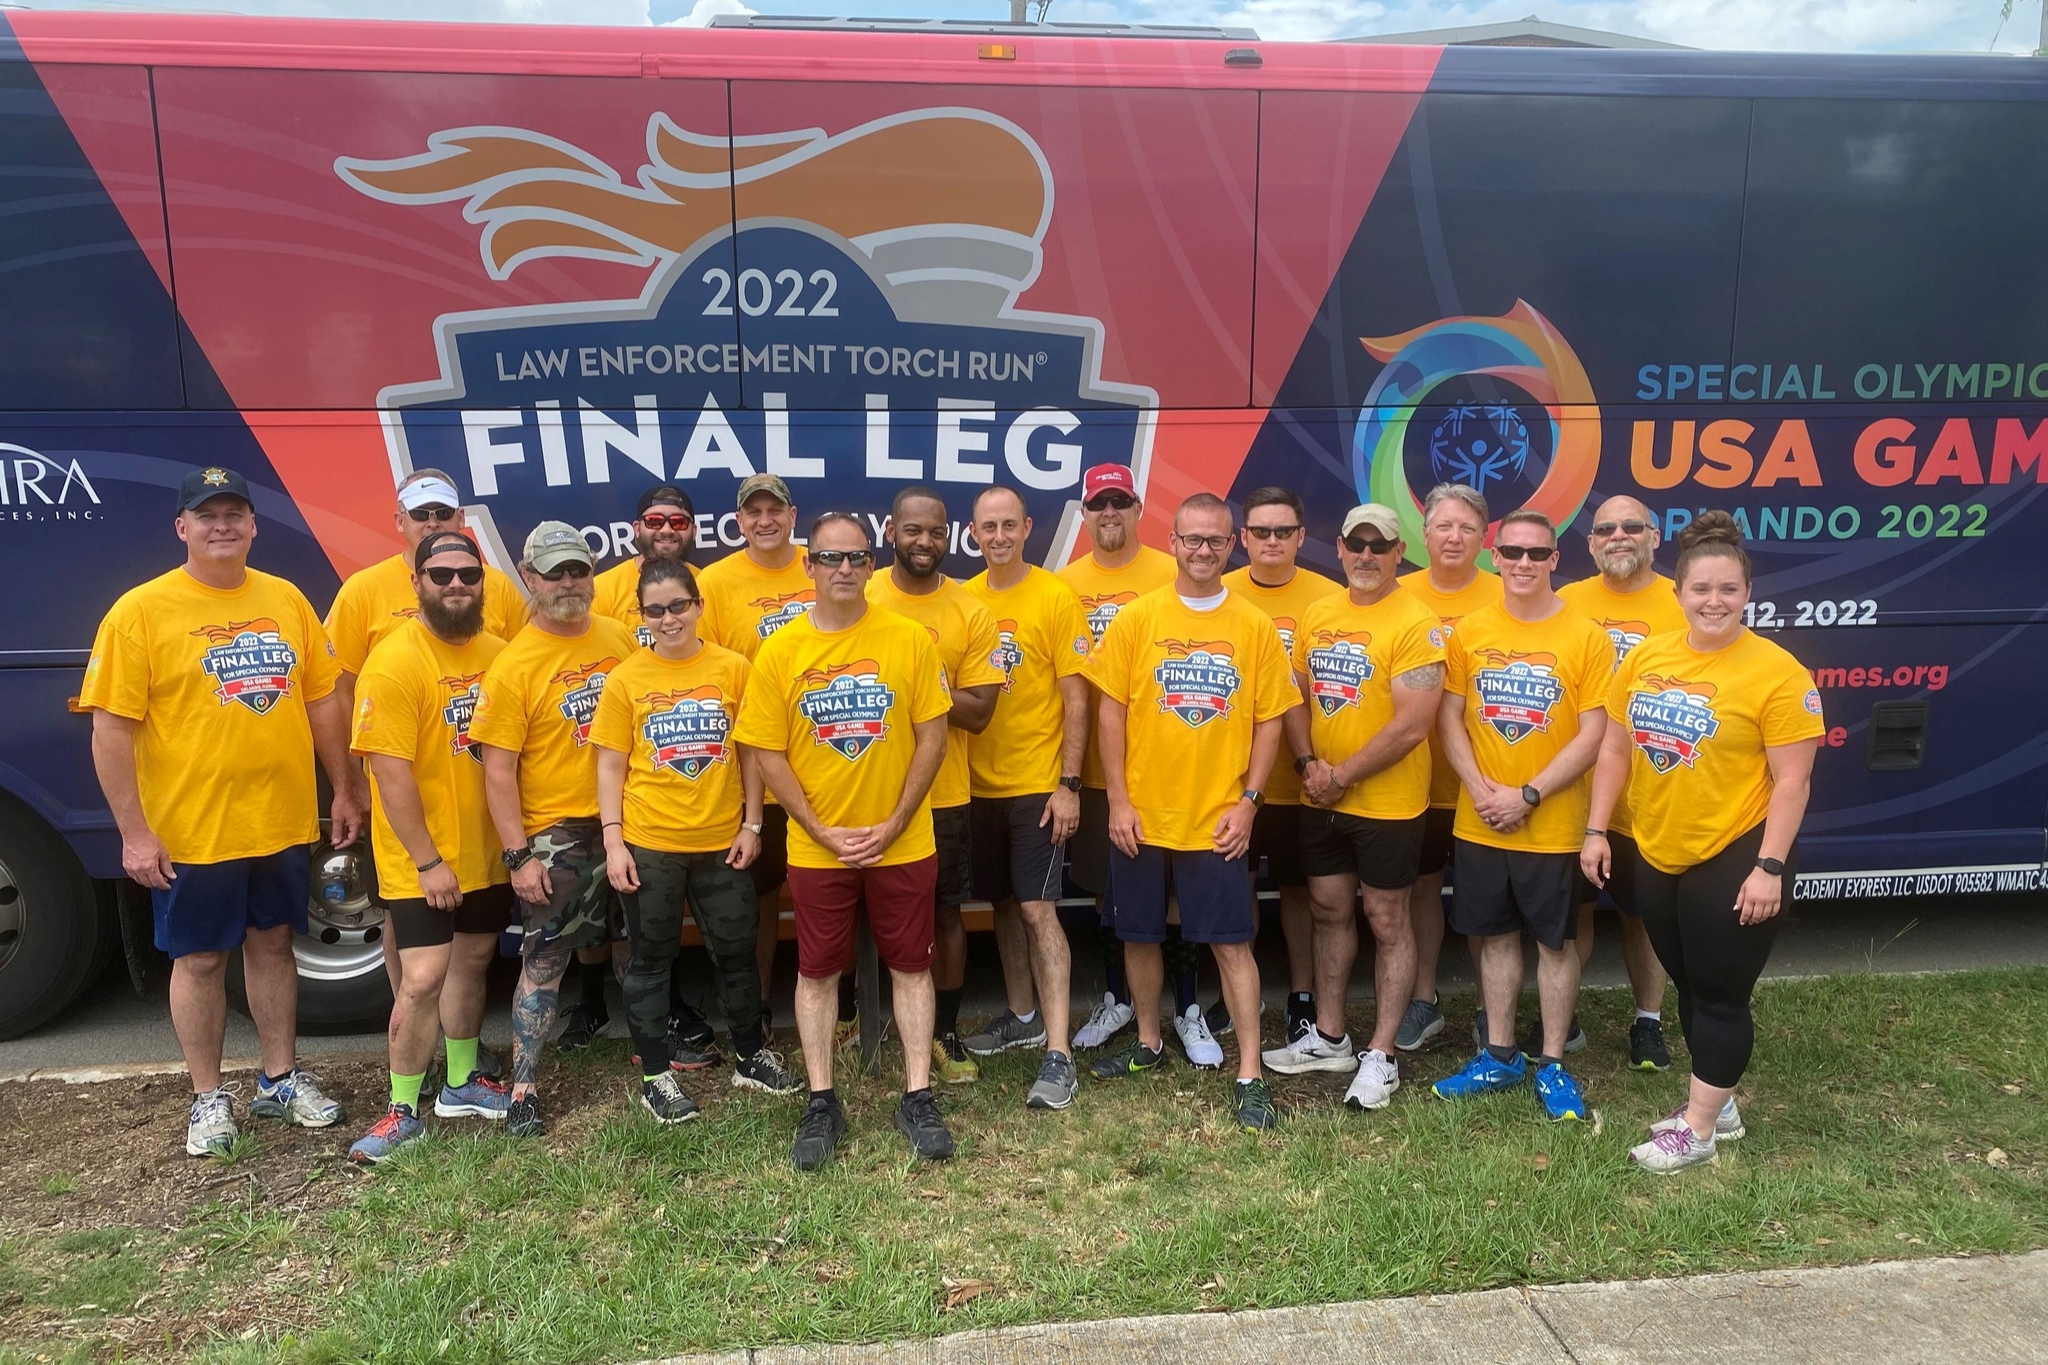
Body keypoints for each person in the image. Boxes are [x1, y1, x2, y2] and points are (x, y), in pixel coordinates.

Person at [83, 465, 362, 1157]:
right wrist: (134, 833)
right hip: (192, 830)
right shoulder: (140, 611)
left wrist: (346, 788)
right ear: (182, 527)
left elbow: (324, 701)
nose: (222, 524)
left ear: (253, 525)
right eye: (207, 514)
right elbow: (111, 730)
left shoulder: (287, 599)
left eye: (235, 512)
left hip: (279, 818)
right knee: (202, 959)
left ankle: (279, 1079)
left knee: (272, 945)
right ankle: (209, 1097)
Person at [1583, 512, 1823, 1174]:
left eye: (1728, 589)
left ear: (1747, 593)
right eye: (1701, 589)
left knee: (1718, 992)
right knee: (1689, 980)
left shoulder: (1779, 672)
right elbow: (1614, 748)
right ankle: (1718, 1101)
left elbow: (1793, 783)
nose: (1714, 601)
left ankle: (1697, 1130)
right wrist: (1598, 828)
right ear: (1679, 592)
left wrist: (1770, 866)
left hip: (1738, 851)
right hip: (1659, 848)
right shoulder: (1648, 657)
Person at [732, 514, 953, 1170]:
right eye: (831, 557)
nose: (846, 569)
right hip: (817, 845)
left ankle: (917, 1094)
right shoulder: (781, 650)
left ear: (872, 561)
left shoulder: (909, 639)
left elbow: (934, 737)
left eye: (857, 557)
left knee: (912, 965)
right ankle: (823, 1099)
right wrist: (816, 827)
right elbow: (767, 751)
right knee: (817, 970)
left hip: (904, 839)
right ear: (810, 565)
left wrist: (893, 821)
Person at [1084, 493, 1297, 1133]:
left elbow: (1270, 720)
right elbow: (1110, 712)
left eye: (1215, 541)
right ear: (1172, 542)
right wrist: (1118, 799)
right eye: (1191, 539)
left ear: (1230, 545)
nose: (1203, 551)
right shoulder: (1137, 619)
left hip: (1217, 819)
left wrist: (1250, 802)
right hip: (1143, 814)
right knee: (1139, 935)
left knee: (1232, 944)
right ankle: (1148, 1043)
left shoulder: (1254, 625)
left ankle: (1251, 1072)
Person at [592, 558, 801, 1124]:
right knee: (651, 961)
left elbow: (753, 753)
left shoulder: (734, 669)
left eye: (678, 606)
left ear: (699, 606)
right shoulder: (626, 679)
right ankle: (656, 1076)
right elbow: (610, 765)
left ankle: (751, 1055)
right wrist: (614, 842)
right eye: (655, 610)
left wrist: (753, 823)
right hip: (649, 842)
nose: (668, 619)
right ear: (642, 616)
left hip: (722, 843)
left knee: (736, 955)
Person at [1430, 511, 1611, 1122]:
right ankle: (1500, 1054)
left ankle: (1554, 1062)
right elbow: (1449, 718)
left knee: (1555, 946)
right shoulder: (1470, 631)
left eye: (1538, 553)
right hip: (1481, 818)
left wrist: (1528, 793)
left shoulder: (1586, 636)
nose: (1525, 563)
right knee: (1496, 938)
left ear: (1556, 559)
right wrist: (1481, 787)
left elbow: (1595, 734)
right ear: (1496, 557)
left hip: (1552, 823)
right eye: (1514, 553)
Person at [323, 467, 524, 1008]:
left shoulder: (498, 587)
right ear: (399, 522)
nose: (431, 522)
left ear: (462, 519)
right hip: (402, 789)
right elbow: (339, 688)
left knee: (472, 949)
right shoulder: (363, 590)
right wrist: (350, 781)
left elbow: (524, 676)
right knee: (411, 935)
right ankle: (412, 1032)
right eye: (421, 514)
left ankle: (460, 1050)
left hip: (483, 796)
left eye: (442, 513)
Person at [1266, 505, 1444, 1112]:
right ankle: (1332, 1038)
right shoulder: (1320, 614)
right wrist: (1306, 765)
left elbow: (1415, 724)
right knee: (1327, 908)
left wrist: (1340, 775)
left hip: (1388, 804)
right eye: (1355, 543)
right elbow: (1294, 696)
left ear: (1400, 553)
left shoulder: (1417, 623)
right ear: (1338, 548)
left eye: (1379, 545)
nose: (1366, 555)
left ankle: (1383, 1054)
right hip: (1320, 794)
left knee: (1387, 919)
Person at [346, 532, 515, 1163]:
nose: (455, 586)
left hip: (488, 850)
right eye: (440, 575)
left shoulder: (502, 653)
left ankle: (463, 1083)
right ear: (416, 583)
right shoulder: (393, 663)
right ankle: (400, 1109)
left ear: (483, 583)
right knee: (420, 979)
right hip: (424, 857)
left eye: (468, 576)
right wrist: (427, 861)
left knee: (473, 963)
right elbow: (389, 777)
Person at [470, 522, 639, 1137]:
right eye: (555, 572)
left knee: (636, 945)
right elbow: (497, 771)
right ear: (530, 578)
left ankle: (652, 1061)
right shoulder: (514, 663)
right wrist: (519, 856)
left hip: (628, 815)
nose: (569, 583)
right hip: (557, 832)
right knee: (545, 962)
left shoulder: (620, 637)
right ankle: (524, 1088)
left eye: (578, 570)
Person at [865, 487, 1007, 1089]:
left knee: (946, 915)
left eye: (937, 532)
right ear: (891, 529)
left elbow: (979, 713)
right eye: (914, 530)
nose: (925, 542)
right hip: (863, 788)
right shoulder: (863, 592)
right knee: (863, 916)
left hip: (943, 795)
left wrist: (918, 680)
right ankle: (865, 1020)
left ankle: (943, 1033)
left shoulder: (970, 610)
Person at [958, 485, 1093, 1109]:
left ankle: (1059, 1053)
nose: (999, 536)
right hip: (973, 786)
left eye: (1010, 524)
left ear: (1028, 528)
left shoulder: (1055, 595)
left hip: (1037, 786)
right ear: (974, 533)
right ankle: (1021, 1015)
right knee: (1005, 906)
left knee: (1040, 911)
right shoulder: (963, 601)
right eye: (989, 526)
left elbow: (1076, 697)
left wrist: (1069, 784)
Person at [1558, 495, 1688, 1071]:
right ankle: (1566, 1020)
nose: (1618, 536)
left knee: (1644, 915)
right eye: (1605, 528)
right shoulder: (1566, 602)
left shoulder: (1684, 604)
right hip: (1576, 795)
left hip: (1650, 795)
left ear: (1655, 537)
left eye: (1631, 526)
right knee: (1573, 913)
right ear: (1590, 544)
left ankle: (1648, 1023)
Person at [1058, 464, 1180, 1055]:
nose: (1109, 512)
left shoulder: (1170, 571)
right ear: (1084, 513)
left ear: (1138, 507)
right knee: (1107, 892)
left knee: (1175, 895)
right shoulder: (1066, 582)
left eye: (1119, 501)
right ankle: (1117, 1000)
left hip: (1168, 769)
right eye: (1098, 503)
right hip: (1102, 772)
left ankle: (1186, 1007)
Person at [1215, 486, 1341, 1047]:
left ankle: (1301, 997)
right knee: (1235, 887)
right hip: (1231, 781)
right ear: (1242, 538)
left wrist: (1315, 763)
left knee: (1298, 893)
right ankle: (1234, 993)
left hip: (1300, 783)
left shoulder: (1328, 598)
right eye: (1260, 531)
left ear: (1301, 536)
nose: (1271, 541)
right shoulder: (1218, 592)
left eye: (1282, 531)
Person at [698, 474, 815, 1039]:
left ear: (793, 514)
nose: (764, 520)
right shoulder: (716, 582)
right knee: (761, 896)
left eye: (775, 509)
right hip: (754, 769)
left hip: (826, 757)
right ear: (739, 521)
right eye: (754, 512)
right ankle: (760, 1005)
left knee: (830, 882)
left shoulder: (822, 566)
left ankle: (841, 1002)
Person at [1393, 484, 1503, 1052]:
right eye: (1443, 526)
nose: (1454, 537)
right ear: (1424, 534)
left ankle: (1492, 1012)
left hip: (1490, 783)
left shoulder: (1510, 594)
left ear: (1485, 538)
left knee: (1486, 904)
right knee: (1421, 891)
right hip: (1417, 781)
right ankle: (1425, 999)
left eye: (1466, 527)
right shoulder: (1397, 593)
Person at [593, 484, 697, 648]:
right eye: (654, 521)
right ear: (637, 529)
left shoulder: (709, 583)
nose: (666, 530)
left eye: (679, 522)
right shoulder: (601, 590)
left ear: (694, 531)